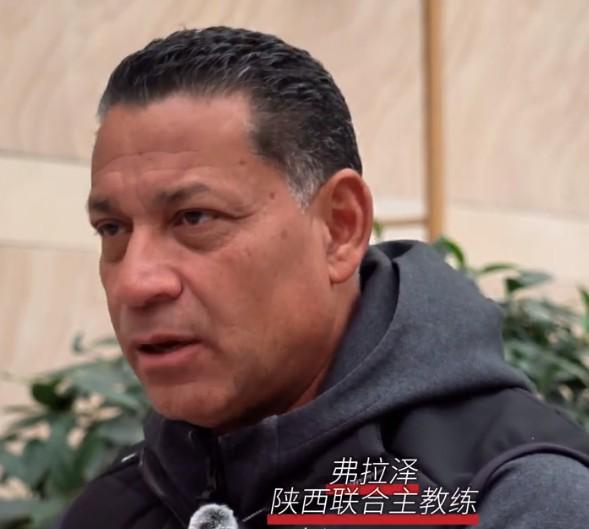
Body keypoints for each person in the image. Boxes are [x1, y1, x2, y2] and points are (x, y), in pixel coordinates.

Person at [56, 27, 589, 529]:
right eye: (112, 229)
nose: (136, 282)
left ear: (339, 227)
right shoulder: (111, 509)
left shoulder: (518, 500)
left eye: (194, 218)